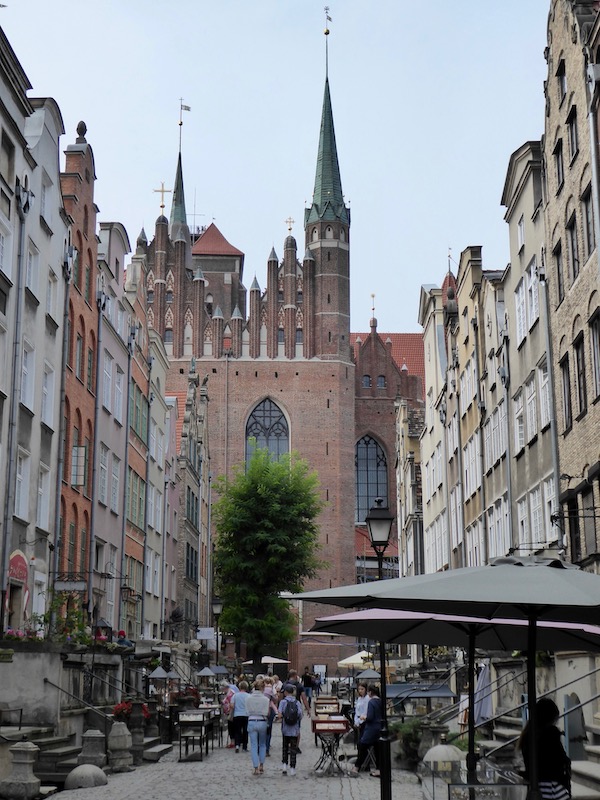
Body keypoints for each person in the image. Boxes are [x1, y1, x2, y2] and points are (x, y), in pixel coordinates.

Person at [519, 697, 571, 800]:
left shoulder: (527, 735)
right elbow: (561, 760)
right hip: (551, 787)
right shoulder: (550, 733)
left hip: (534, 786)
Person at [349, 684, 382, 777]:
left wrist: (364, 717)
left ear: (370, 692)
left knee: (362, 745)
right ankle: (378, 769)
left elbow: (370, 717)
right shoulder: (380, 701)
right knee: (377, 749)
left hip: (371, 728)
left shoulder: (371, 702)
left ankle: (356, 767)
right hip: (379, 728)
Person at [246, 678, 272, 775]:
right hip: (262, 721)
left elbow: (246, 711)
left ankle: (255, 767)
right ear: (262, 688)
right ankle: (261, 765)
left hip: (252, 720)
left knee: (253, 745)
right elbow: (268, 713)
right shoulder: (266, 699)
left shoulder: (248, 698)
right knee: (262, 744)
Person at [278, 683, 303, 776]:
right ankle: (292, 768)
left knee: (285, 747)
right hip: (294, 729)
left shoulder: (283, 702)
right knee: (293, 749)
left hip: (285, 728)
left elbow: (280, 714)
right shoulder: (297, 702)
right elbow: (300, 715)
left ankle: (284, 765)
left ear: (286, 692)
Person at [286, 669, 310, 753]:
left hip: (286, 708)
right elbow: (304, 698)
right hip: (296, 708)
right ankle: (296, 746)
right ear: (295, 675)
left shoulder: (285, 684)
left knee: (286, 727)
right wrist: (308, 709)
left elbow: (281, 697)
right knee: (297, 728)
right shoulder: (299, 685)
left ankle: (288, 745)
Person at [230, 679, 249, 753]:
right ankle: (244, 747)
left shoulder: (235, 695)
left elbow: (231, 705)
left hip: (237, 715)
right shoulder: (248, 696)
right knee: (245, 731)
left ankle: (237, 745)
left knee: (237, 731)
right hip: (246, 715)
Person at [220, 679, 238, 748]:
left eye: (223, 689)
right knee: (232, 727)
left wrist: (223, 703)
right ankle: (234, 741)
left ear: (225, 687)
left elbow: (230, 703)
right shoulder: (229, 692)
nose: (222, 691)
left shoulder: (230, 694)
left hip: (231, 712)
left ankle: (233, 742)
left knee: (232, 727)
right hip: (230, 712)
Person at [353, 682, 369, 747]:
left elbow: (365, 711)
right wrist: (356, 721)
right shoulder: (359, 698)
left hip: (363, 721)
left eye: (362, 689)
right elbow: (357, 711)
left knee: (362, 741)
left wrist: (360, 722)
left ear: (365, 689)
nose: (360, 691)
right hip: (358, 720)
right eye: (359, 689)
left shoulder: (367, 698)